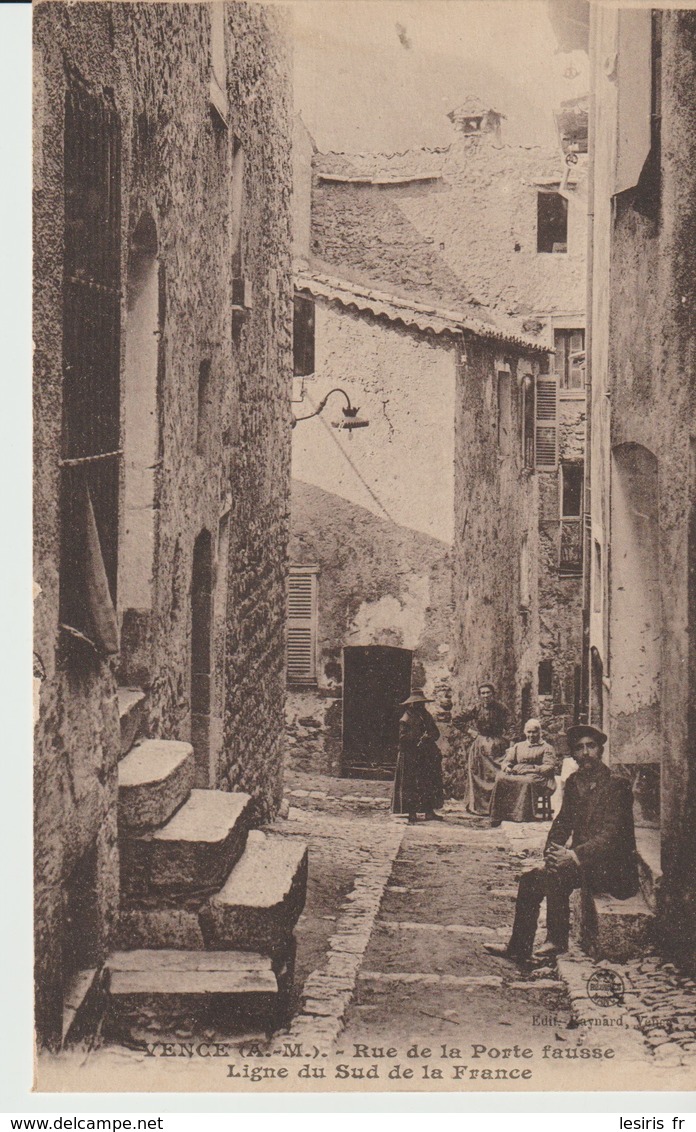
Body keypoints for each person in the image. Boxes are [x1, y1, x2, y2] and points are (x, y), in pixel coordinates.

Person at [484, 724, 639, 962]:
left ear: (600, 750)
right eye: (579, 748)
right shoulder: (575, 782)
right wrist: (552, 851)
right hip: (584, 863)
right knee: (532, 878)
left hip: (613, 868)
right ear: (573, 754)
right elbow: (562, 823)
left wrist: (574, 856)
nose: (586, 753)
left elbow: (612, 836)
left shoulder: (616, 785)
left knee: (556, 874)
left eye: (591, 746)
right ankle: (518, 947)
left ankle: (557, 940)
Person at [452, 683, 509, 816]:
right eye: (482, 693)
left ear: (493, 694)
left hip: (497, 745)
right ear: (480, 695)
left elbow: (511, 725)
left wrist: (510, 743)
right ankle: (479, 807)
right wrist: (471, 732)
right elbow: (457, 720)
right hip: (480, 745)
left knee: (497, 775)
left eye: (488, 693)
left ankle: (496, 808)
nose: (485, 696)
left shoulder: (501, 708)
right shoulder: (476, 708)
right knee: (479, 775)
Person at [488, 718, 557, 826]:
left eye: (534, 732)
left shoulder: (546, 748)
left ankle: (521, 815)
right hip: (518, 773)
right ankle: (499, 814)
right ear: (525, 732)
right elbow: (506, 761)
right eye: (529, 732)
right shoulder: (518, 746)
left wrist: (533, 769)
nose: (531, 735)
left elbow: (549, 766)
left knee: (527, 781)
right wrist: (507, 768)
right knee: (501, 778)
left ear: (539, 732)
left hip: (538, 776)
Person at [391, 691, 444, 824]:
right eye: (417, 703)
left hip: (426, 754)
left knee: (428, 782)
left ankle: (428, 811)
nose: (420, 705)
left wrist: (428, 737)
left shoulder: (426, 715)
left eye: (422, 703)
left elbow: (435, 733)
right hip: (410, 754)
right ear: (412, 703)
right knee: (411, 783)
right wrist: (417, 737)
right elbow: (402, 738)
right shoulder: (406, 717)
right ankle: (411, 812)